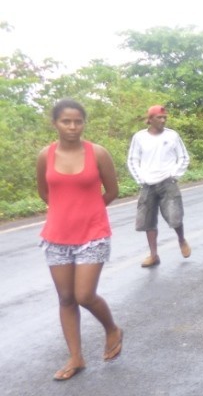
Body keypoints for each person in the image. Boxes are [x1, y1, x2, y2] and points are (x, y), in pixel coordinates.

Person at [36, 99, 124, 381]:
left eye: (78, 121)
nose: (73, 127)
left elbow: (112, 191)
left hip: (92, 234)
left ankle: (112, 328)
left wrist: (89, 211)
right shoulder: (44, 156)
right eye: (66, 121)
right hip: (57, 236)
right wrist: (66, 211)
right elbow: (45, 193)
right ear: (55, 124)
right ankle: (76, 357)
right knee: (65, 298)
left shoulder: (97, 153)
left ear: (84, 123)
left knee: (84, 295)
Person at [127, 105, 192, 268]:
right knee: (148, 221)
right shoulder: (139, 137)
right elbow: (133, 159)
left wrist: (174, 175)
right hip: (147, 184)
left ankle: (181, 240)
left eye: (165, 118)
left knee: (175, 216)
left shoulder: (172, 136)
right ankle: (154, 255)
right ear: (150, 120)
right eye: (159, 118)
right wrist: (140, 178)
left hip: (167, 183)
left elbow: (183, 157)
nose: (163, 120)